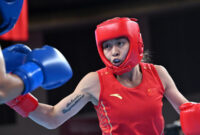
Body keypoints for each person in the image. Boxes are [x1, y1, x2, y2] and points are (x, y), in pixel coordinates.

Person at [1, 17, 200, 135]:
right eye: (107, 46)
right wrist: (16, 97)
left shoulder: (158, 73)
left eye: (119, 43)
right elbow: (52, 118)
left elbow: (186, 109)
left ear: (135, 42)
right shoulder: (94, 81)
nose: (113, 52)